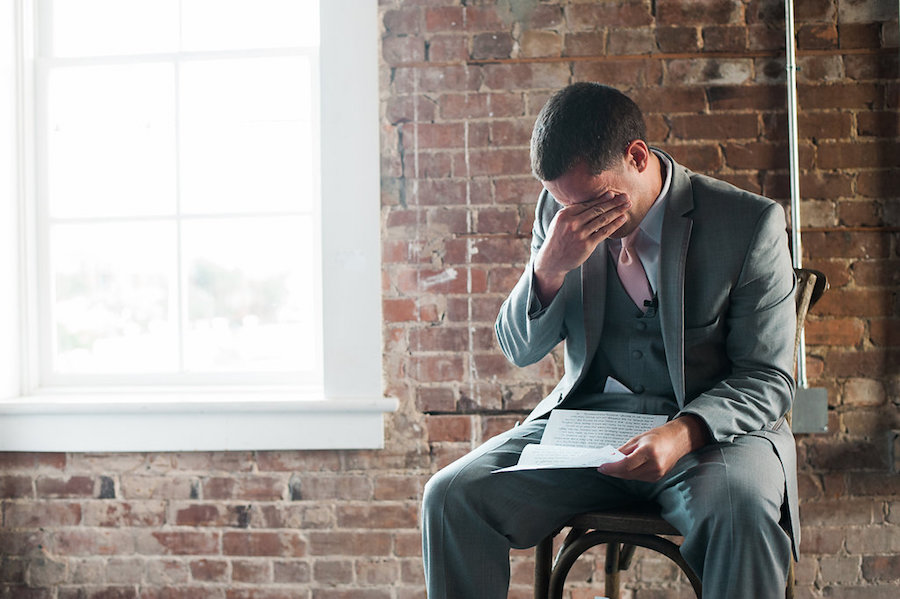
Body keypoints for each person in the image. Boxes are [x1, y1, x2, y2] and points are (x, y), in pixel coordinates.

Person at [421, 82, 799, 598]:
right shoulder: (558, 216)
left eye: (594, 202)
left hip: (708, 441)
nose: (577, 219)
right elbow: (519, 348)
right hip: (585, 433)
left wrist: (682, 432)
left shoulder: (748, 223)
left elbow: (768, 378)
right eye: (564, 205)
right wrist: (548, 267)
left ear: (638, 157)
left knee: (742, 510)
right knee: (450, 496)